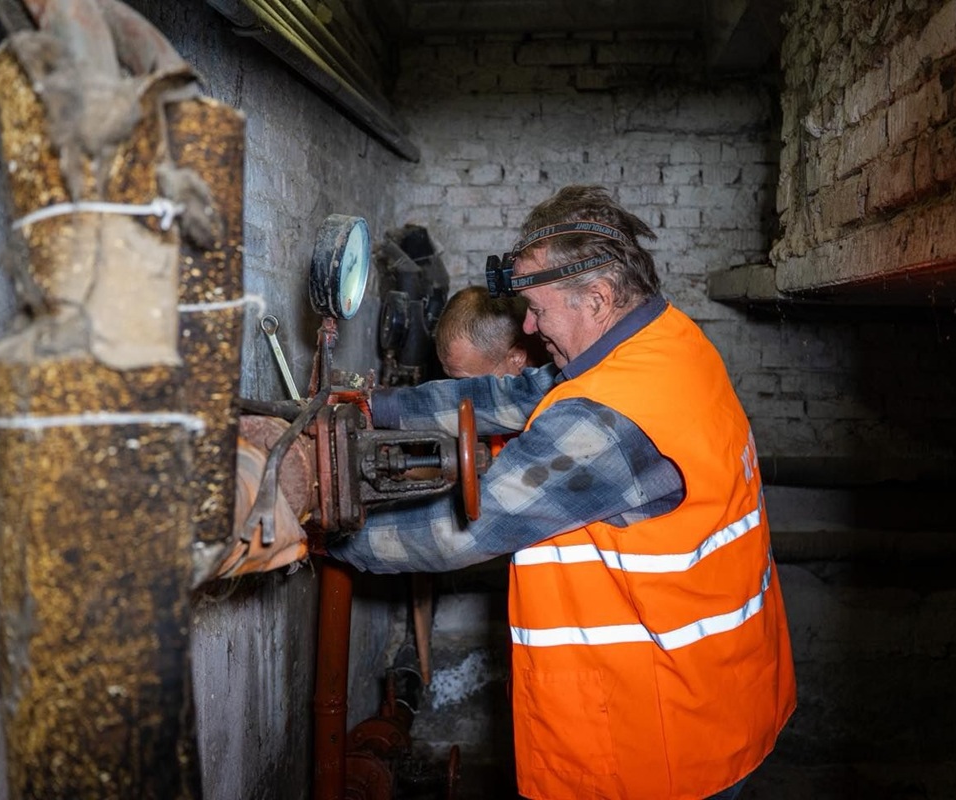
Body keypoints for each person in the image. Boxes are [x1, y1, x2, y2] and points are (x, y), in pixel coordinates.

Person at [330, 185, 796, 800]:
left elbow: (460, 529)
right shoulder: (662, 341)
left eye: (536, 310)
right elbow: (509, 396)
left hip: (657, 742)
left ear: (597, 297)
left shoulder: (610, 418)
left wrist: (320, 529)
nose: (526, 327)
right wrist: (376, 407)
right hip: (720, 690)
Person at [434, 285, 548, 379]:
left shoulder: (554, 394)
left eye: (465, 382)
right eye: (450, 378)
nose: (454, 392)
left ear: (516, 357)